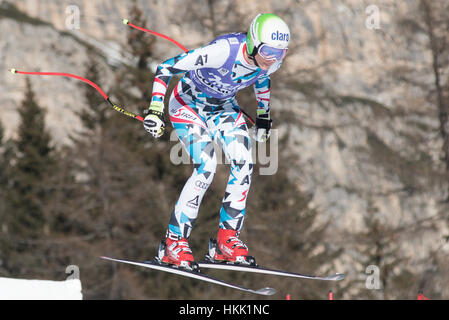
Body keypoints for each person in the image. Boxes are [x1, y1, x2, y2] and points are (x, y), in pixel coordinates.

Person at [143, 13, 290, 270]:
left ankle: (227, 241)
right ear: (254, 43)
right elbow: (166, 67)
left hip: (223, 108)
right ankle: (173, 243)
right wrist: (155, 109)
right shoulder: (222, 51)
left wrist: (264, 117)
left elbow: (262, 80)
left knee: (244, 162)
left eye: (280, 53)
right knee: (207, 165)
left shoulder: (268, 63)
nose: (272, 59)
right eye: (268, 51)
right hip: (188, 104)